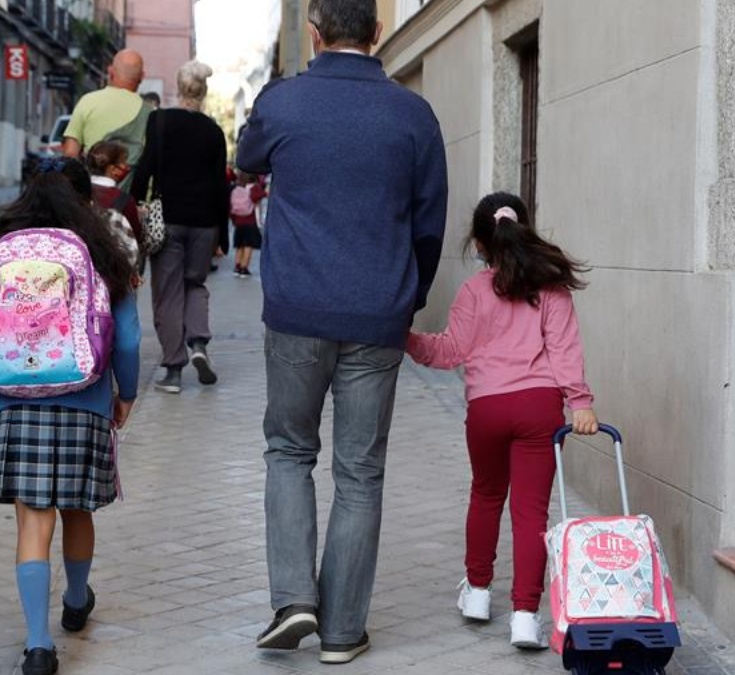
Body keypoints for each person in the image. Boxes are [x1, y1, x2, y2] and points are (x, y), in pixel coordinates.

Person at [236, 0, 448, 664]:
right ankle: (341, 630)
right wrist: (405, 300)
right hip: (377, 310)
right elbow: (429, 222)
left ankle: (294, 596)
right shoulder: (412, 112)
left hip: (297, 308)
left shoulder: (284, 100)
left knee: (289, 450)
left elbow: (246, 157)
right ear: (378, 32)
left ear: (316, 32)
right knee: (360, 470)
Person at [406, 192, 599, 651]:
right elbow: (564, 351)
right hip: (539, 408)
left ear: (479, 243)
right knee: (531, 512)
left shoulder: (474, 290)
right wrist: (581, 403)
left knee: (487, 495)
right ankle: (525, 618)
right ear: (524, 230)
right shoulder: (551, 287)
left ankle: (475, 594)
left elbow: (450, 351)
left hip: (488, 410)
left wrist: (405, 339)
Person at [0, 157, 140, 675]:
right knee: (76, 510)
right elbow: (128, 338)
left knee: (32, 523)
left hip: (13, 403)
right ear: (85, 201)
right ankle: (76, 599)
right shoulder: (103, 255)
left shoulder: (3, 251)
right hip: (84, 399)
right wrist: (124, 395)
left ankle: (38, 646)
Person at [131, 61, 228, 393]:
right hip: (205, 222)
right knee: (195, 284)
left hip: (168, 219)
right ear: (203, 91)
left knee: (168, 293)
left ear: (179, 85)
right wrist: (223, 237)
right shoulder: (214, 131)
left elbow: (145, 167)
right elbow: (220, 185)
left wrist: (133, 204)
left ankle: (173, 370)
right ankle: (198, 343)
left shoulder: (160, 121)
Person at [62, 49, 151, 190]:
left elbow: (70, 153)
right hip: (129, 201)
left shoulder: (88, 101)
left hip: (90, 196)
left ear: (111, 71)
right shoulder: (150, 113)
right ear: (142, 76)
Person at [85, 141, 144, 274]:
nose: (127, 167)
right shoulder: (124, 200)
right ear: (113, 170)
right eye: (124, 162)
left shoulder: (78, 192)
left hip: (85, 266)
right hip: (115, 271)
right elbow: (138, 235)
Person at [229, 170, 266, 277]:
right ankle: (244, 268)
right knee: (248, 245)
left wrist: (234, 220)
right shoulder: (254, 187)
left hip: (238, 221)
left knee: (239, 245)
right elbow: (260, 196)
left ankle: (237, 266)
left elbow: (231, 207)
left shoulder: (236, 188)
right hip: (250, 221)